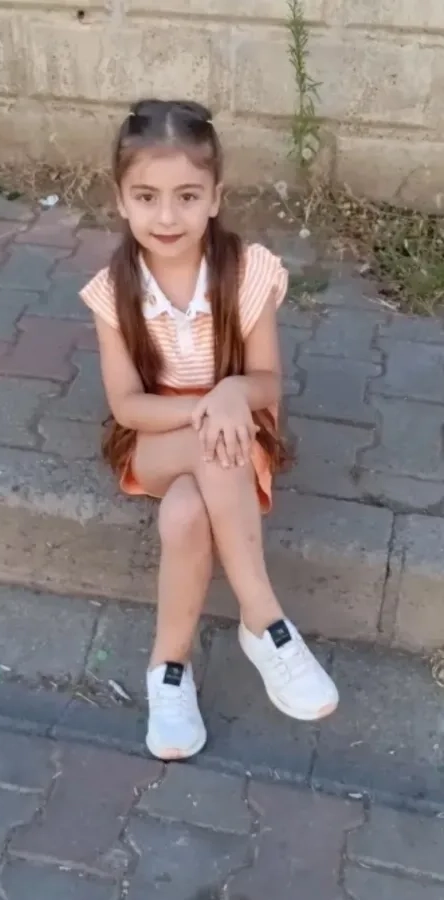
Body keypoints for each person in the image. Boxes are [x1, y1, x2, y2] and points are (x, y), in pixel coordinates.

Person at [80, 98, 338, 762]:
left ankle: (168, 671)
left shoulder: (247, 273)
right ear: (121, 199)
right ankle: (264, 619)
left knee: (187, 513)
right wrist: (208, 409)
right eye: (147, 197)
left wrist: (231, 395)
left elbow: (267, 383)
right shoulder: (113, 292)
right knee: (213, 444)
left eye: (187, 196)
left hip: (235, 436)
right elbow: (129, 406)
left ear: (216, 197)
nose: (167, 217)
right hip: (158, 439)